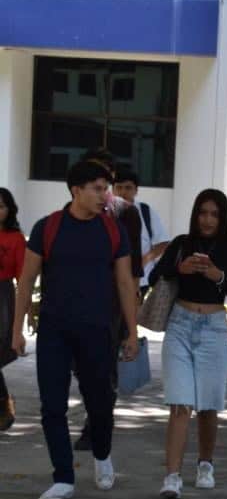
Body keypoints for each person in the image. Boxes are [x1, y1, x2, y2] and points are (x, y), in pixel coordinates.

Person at [11, 160, 138, 499]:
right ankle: (63, 477)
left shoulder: (113, 231)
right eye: (97, 188)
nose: (105, 195)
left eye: (106, 188)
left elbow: (126, 283)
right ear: (76, 191)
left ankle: (102, 454)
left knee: (100, 403)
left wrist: (132, 331)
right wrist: (17, 330)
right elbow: (25, 281)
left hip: (98, 331)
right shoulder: (47, 228)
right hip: (54, 331)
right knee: (52, 406)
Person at [151, 189, 227, 499]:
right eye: (203, 213)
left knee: (207, 406)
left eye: (214, 214)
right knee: (180, 403)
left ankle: (205, 464)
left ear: (223, 217)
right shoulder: (182, 244)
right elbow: (155, 275)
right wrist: (181, 268)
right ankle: (172, 475)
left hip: (214, 330)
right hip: (180, 324)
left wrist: (218, 275)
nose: (207, 220)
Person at [73, 151, 144, 452]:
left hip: (112, 302)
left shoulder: (125, 213)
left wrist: (132, 319)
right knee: (80, 364)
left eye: (104, 178)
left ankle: (98, 424)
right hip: (76, 300)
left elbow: (134, 267)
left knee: (104, 367)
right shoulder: (71, 211)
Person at [112, 166, 171, 297]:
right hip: (112, 279)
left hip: (141, 280)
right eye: (119, 187)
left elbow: (163, 242)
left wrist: (144, 260)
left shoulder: (146, 211)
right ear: (113, 189)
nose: (123, 192)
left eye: (128, 188)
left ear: (136, 190)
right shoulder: (106, 213)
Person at [0, 188, 25, 431]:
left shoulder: (15, 238)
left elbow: (22, 279)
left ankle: (4, 406)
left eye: (1, 206)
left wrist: (21, 320)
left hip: (3, 295)